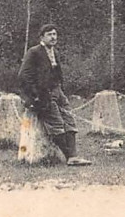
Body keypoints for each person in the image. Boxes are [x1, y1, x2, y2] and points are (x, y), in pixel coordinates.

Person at [19, 24, 90, 166]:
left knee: (69, 120)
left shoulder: (54, 52)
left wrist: (59, 90)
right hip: (42, 96)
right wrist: (36, 95)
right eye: (50, 34)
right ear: (42, 37)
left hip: (57, 92)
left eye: (55, 34)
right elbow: (24, 75)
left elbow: (57, 74)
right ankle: (69, 157)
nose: (53, 37)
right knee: (56, 123)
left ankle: (74, 155)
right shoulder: (34, 52)